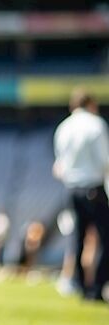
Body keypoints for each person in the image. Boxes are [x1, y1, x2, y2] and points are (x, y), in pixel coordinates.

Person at [53, 86, 109, 301]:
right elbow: (105, 160)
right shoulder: (96, 125)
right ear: (91, 103)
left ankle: (77, 283)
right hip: (92, 187)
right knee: (105, 238)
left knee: (78, 238)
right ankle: (97, 286)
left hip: (71, 188)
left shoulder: (63, 127)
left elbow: (60, 163)